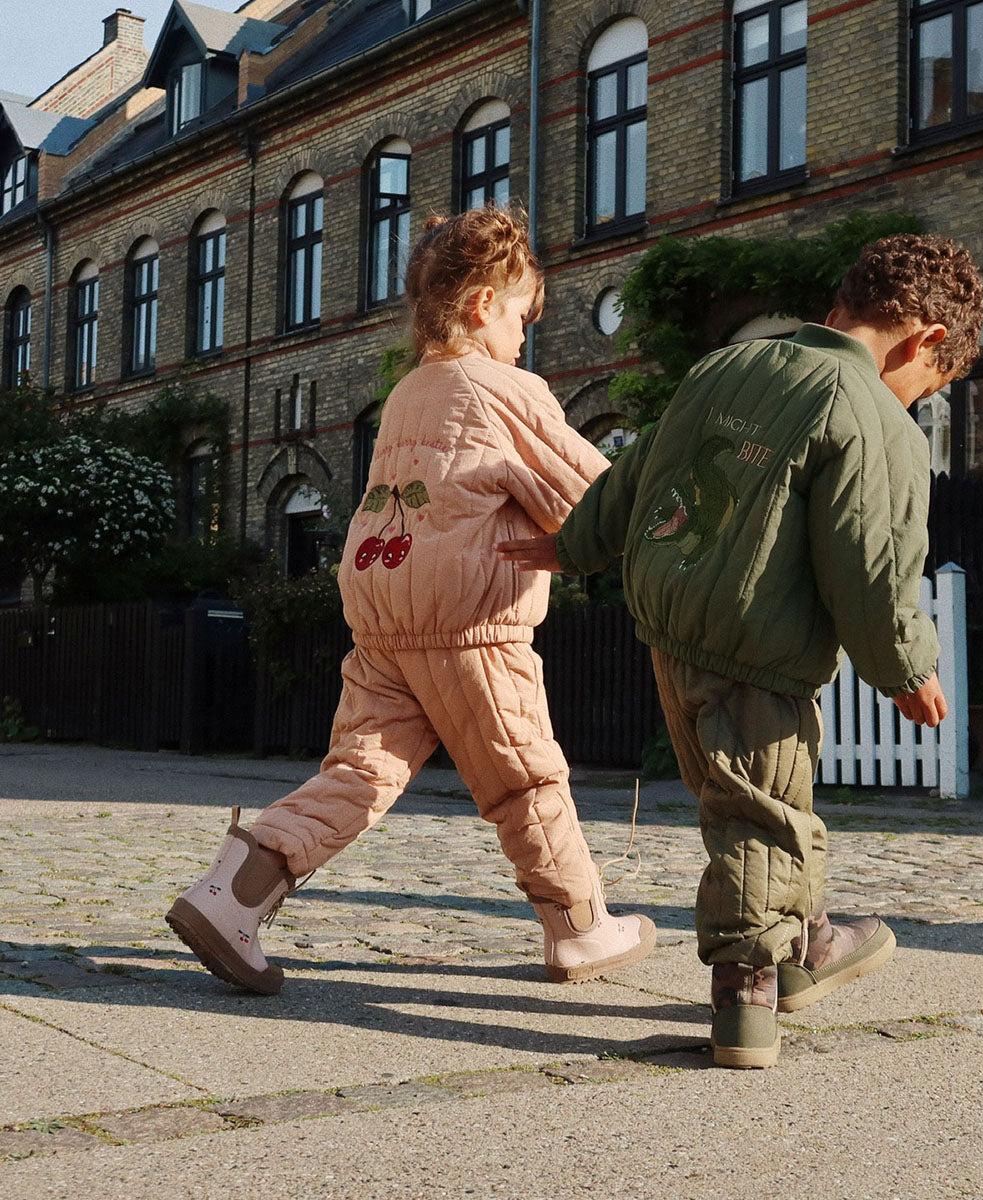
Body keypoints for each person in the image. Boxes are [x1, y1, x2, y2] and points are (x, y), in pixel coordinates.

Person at [499, 233, 983, 1068]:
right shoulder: (870, 415)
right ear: (926, 341)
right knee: (760, 814)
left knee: (746, 797)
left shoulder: (724, 367)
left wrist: (577, 543)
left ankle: (807, 942)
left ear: (836, 312)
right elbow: (869, 561)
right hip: (756, 647)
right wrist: (904, 665)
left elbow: (642, 466)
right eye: (925, 389)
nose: (912, 402)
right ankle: (748, 993)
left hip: (671, 618)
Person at [167, 207, 656, 995]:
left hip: (383, 610)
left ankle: (232, 894)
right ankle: (579, 926)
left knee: (359, 771)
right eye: (523, 315)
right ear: (480, 306)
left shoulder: (409, 393)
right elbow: (597, 496)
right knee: (524, 777)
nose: (526, 336)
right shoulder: (505, 386)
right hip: (469, 620)